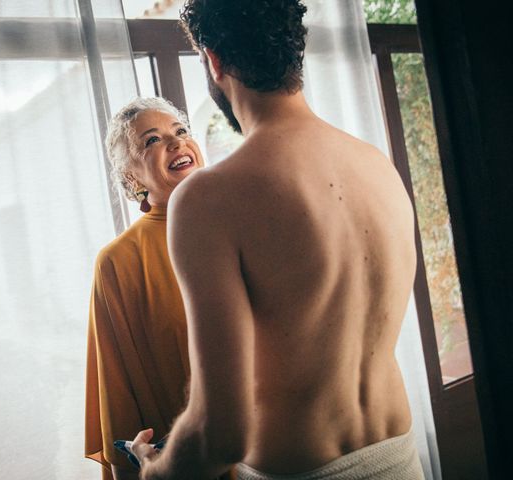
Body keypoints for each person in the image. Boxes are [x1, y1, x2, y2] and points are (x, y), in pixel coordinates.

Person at [129, 1, 425, 479]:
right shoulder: (376, 163)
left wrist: (154, 470)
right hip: (400, 458)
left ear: (214, 60)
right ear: (295, 54)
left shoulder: (208, 199)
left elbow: (220, 434)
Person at [84, 97, 206, 480]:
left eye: (181, 131)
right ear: (131, 177)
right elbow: (118, 393)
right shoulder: (118, 262)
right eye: (152, 141)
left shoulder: (243, 219)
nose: (176, 144)